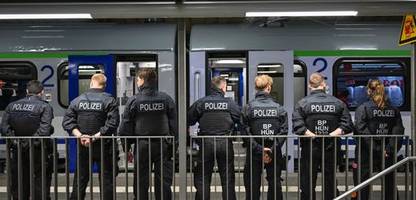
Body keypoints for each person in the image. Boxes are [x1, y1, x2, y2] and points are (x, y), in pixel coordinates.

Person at [293, 72, 353, 200]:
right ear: (324, 84)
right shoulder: (337, 103)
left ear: (310, 86)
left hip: (309, 148)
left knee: (308, 182)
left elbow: (298, 126)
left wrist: (312, 135)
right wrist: (330, 134)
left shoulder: (302, 103)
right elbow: (347, 125)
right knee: (330, 181)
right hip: (331, 148)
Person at [119, 69, 176, 200]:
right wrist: (174, 145)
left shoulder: (134, 100)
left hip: (142, 144)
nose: (137, 82)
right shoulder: (166, 98)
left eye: (138, 80)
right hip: (164, 144)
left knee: (140, 179)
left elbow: (125, 127)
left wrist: (126, 147)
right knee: (163, 180)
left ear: (143, 80)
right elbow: (174, 124)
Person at [62, 73, 119, 200]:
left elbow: (67, 122)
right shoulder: (109, 100)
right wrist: (95, 136)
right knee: (106, 180)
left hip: (83, 146)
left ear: (91, 83)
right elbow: (112, 124)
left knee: (80, 179)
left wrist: (81, 136)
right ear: (104, 85)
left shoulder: (77, 100)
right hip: (104, 146)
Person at [188, 76, 241, 200]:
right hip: (225, 142)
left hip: (206, 143)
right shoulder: (230, 103)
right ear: (223, 87)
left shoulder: (201, 102)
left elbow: (190, 119)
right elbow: (241, 119)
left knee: (203, 178)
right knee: (227, 179)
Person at [1, 80, 54, 200]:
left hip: (17, 149)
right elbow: (44, 131)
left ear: (26, 91)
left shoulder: (12, 105)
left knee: (19, 179)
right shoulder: (45, 106)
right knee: (40, 180)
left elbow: (4, 128)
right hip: (39, 151)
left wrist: (16, 141)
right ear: (42, 92)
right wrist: (31, 143)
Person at [353, 79, 404, 200]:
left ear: (369, 91)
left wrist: (375, 148)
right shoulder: (394, 110)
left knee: (362, 184)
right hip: (387, 154)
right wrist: (389, 150)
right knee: (389, 184)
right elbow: (398, 131)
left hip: (365, 152)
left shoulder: (363, 109)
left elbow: (361, 131)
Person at [242, 75, 288, 200]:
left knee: (252, 184)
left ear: (256, 88)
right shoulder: (279, 108)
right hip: (274, 151)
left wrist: (259, 149)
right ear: (269, 87)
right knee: (274, 183)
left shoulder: (248, 108)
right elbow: (283, 132)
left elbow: (245, 133)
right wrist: (271, 149)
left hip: (253, 152)